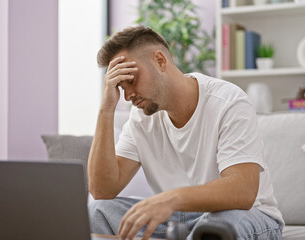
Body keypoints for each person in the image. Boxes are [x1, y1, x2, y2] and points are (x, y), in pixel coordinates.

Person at [87, 25, 284, 240]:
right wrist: (106, 109)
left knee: (217, 228)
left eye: (131, 81)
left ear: (160, 61)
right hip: (177, 217)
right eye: (121, 87)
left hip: (243, 215)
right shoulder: (140, 118)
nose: (128, 96)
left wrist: (170, 199)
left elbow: (243, 191)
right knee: (97, 210)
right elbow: (102, 191)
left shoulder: (228, 102)